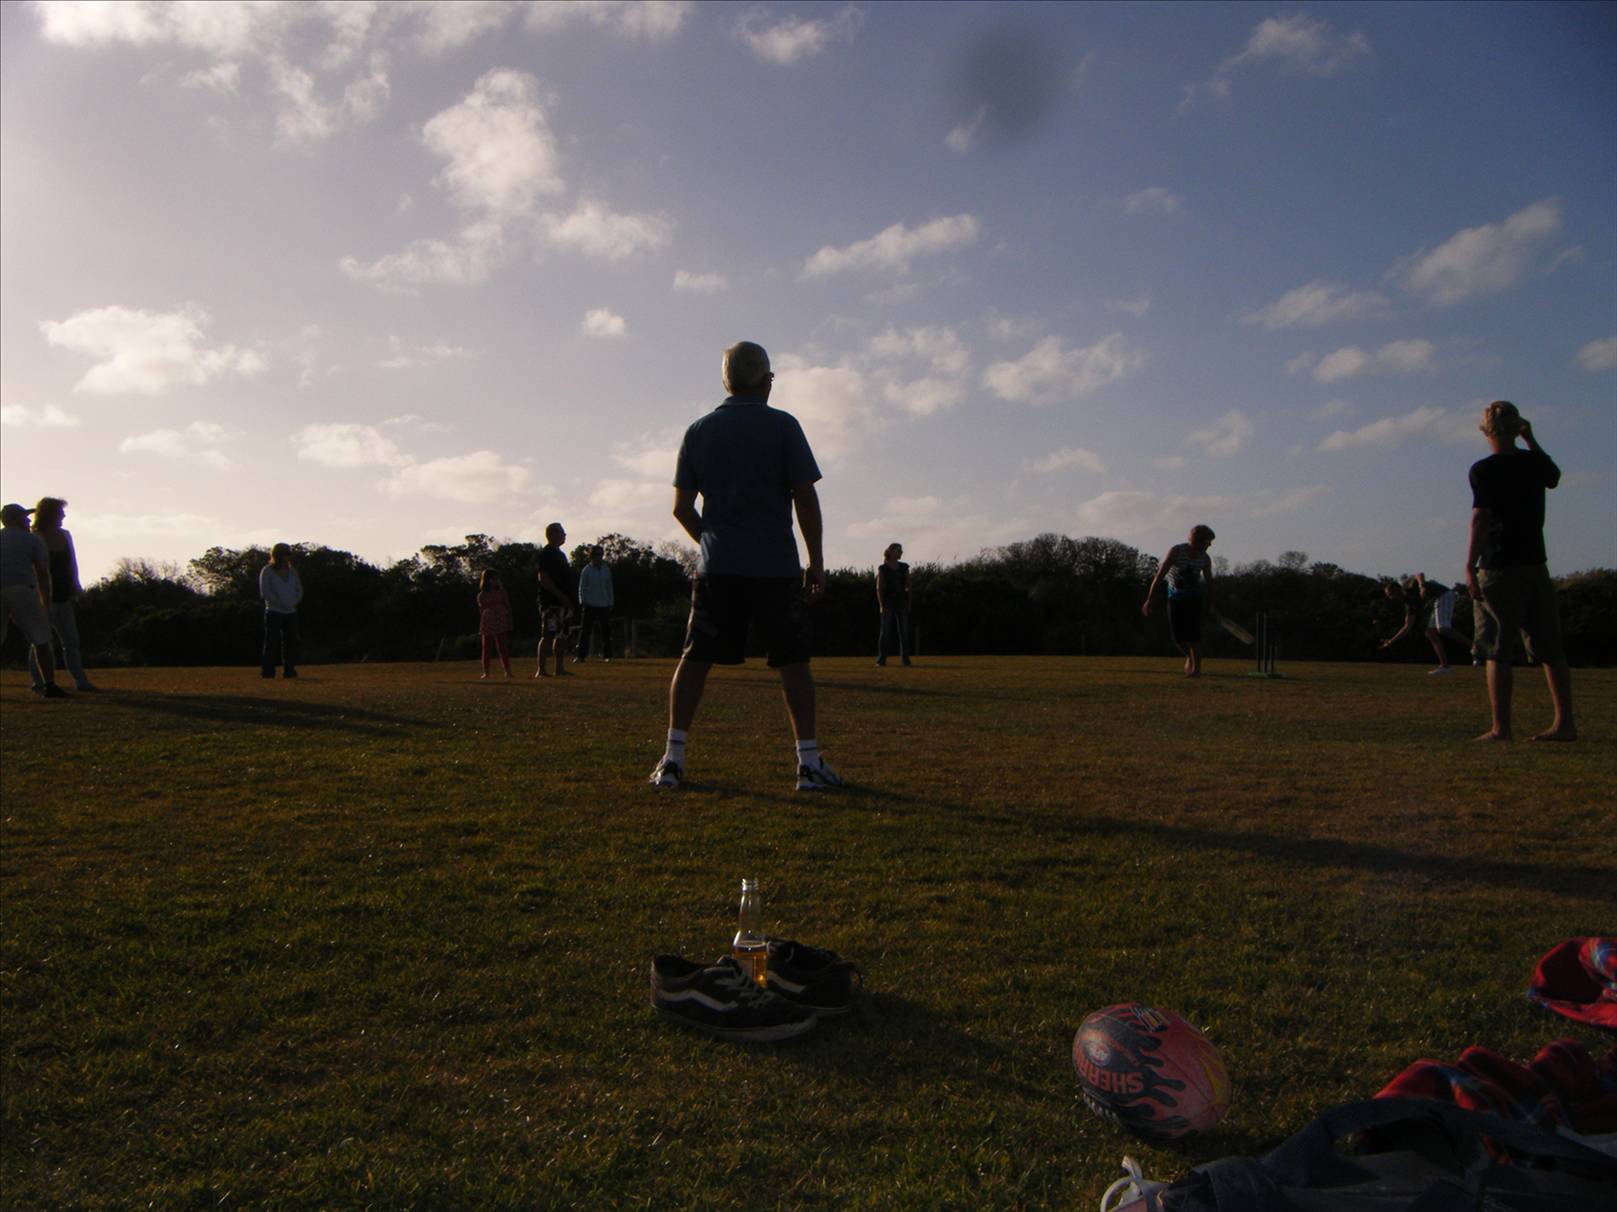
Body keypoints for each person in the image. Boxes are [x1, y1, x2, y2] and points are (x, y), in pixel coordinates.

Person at [649, 340, 843, 792]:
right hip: (775, 567)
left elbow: (681, 508)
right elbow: (805, 497)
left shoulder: (698, 430)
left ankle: (673, 759)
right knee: (793, 661)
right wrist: (816, 561)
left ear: (726, 381)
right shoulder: (783, 426)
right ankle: (808, 763)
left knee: (695, 658)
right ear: (767, 381)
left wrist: (712, 541)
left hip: (718, 568)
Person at [1466, 401, 1575, 742]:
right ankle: (1564, 723)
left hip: (1499, 565)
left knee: (1496, 648)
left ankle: (1501, 728)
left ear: (1485, 431)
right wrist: (1531, 439)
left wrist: (1469, 564)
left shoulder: (1483, 470)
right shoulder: (1533, 463)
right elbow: (1553, 477)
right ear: (1517, 427)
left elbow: (1480, 519)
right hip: (1535, 563)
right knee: (1550, 648)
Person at [28, 497, 96, 691]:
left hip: (64, 595)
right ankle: (39, 682)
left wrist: (76, 586)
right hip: (43, 598)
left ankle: (80, 681)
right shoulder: (35, 538)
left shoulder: (65, 535)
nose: (63, 515)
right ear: (49, 514)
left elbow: (71, 564)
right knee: (41, 640)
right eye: (60, 512)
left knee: (71, 641)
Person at [1, 502, 68, 698]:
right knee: (41, 638)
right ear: (16, 519)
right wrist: (46, 603)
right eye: (25, 517)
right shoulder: (32, 540)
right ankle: (49, 685)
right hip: (23, 589)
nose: (29, 521)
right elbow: (42, 573)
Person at [1142, 524, 1217, 677]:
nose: (1209, 545)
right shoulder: (1177, 551)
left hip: (1194, 599)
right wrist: (1150, 599)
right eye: (1207, 541)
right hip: (1175, 598)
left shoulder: (1205, 558)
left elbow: (1210, 584)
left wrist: (1211, 604)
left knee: (1194, 636)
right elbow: (1159, 576)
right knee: (1179, 638)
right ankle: (1190, 656)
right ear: (1198, 540)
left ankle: (1196, 670)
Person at [1378, 573, 1465, 674]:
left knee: (1443, 629)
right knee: (1430, 632)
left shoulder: (1407, 585)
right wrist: (1390, 642)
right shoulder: (1409, 604)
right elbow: (1407, 626)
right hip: (1438, 600)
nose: (1391, 597)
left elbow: (1419, 574)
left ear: (1397, 589)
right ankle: (1445, 666)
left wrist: (1422, 586)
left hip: (1444, 594)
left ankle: (1473, 647)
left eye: (1391, 594)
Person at [259, 543, 302, 678]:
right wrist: (280, 603)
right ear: (278, 555)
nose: (288, 557)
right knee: (271, 642)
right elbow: (265, 592)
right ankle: (268, 671)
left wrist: (293, 602)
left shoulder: (292, 571)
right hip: (273, 611)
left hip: (291, 612)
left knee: (291, 642)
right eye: (286, 554)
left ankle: (289, 670)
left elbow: (299, 589)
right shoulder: (267, 571)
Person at [535, 522, 573, 678]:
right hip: (550, 602)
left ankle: (559, 668)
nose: (564, 535)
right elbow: (543, 578)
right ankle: (541, 669)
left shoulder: (561, 555)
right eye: (562, 532)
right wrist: (558, 595)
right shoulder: (546, 554)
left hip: (563, 602)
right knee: (548, 634)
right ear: (553, 535)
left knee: (562, 635)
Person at [575, 544, 615, 662]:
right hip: (590, 604)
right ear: (592, 556)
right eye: (598, 554)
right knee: (585, 631)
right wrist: (583, 601)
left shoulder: (606, 569)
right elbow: (581, 587)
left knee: (606, 631)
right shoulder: (586, 570)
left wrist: (611, 601)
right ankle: (580, 655)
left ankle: (608, 655)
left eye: (601, 554)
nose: (600, 557)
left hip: (604, 604)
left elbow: (609, 586)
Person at [875, 541, 912, 667]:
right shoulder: (883, 568)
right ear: (891, 552)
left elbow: (908, 586)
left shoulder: (904, 567)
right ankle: (881, 660)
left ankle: (905, 660)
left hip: (901, 603)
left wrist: (909, 603)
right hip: (888, 603)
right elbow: (879, 588)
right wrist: (881, 605)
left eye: (901, 550)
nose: (901, 552)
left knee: (904, 633)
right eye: (898, 550)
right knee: (885, 632)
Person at [477, 570, 513, 679]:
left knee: (502, 646)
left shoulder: (502, 592)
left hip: (500, 619)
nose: (495, 581)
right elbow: (481, 610)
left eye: (496, 579)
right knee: (486, 647)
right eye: (493, 579)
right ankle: (486, 671)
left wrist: (509, 619)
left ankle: (507, 671)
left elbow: (507, 605)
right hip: (488, 620)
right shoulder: (482, 595)